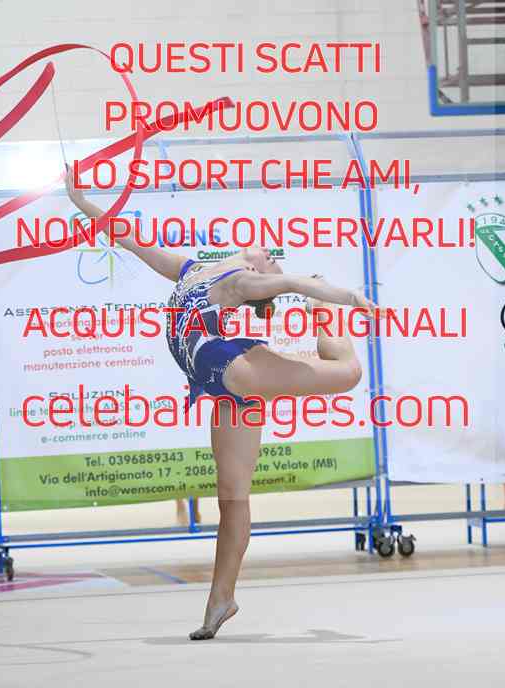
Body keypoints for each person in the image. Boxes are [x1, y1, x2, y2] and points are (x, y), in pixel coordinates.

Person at [65, 166, 382, 640]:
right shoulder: (192, 270)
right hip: (218, 384)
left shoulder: (242, 283)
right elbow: (132, 241)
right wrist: (83, 203)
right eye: (272, 257)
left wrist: (349, 296)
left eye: (272, 262)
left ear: (258, 275)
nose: (270, 257)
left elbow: (297, 283)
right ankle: (221, 599)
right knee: (232, 496)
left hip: (234, 369)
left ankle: (325, 318)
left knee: (349, 373)